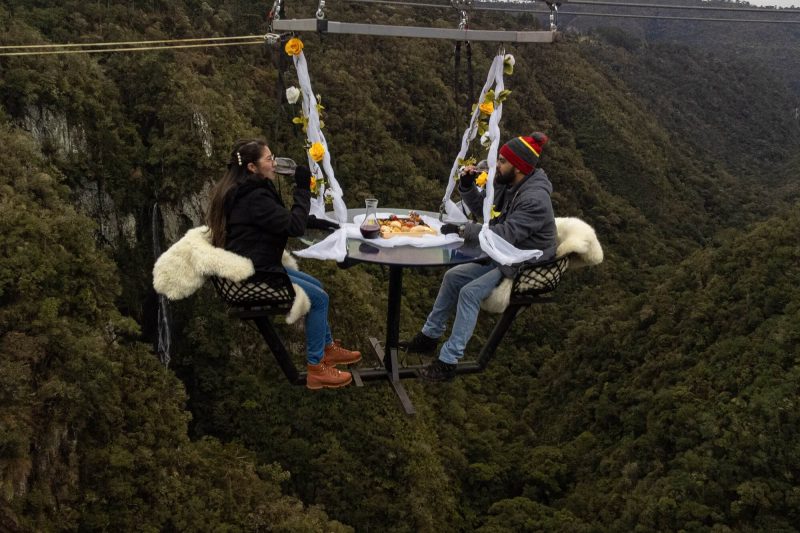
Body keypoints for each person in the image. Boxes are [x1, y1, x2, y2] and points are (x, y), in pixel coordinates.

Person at [206, 139, 359, 390]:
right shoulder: (254, 197)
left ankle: (327, 348)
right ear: (252, 168)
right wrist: (302, 188)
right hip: (254, 273)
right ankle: (316, 368)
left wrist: (313, 221)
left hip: (253, 262)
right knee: (318, 299)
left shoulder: (247, 189)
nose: (274, 163)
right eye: (268, 159)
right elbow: (293, 227)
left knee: (316, 285)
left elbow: (282, 220)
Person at [405, 132, 557, 382]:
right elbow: (486, 214)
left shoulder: (534, 199)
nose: (497, 165)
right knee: (453, 277)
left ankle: (448, 362)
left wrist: (464, 229)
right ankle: (429, 337)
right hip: (505, 253)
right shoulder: (510, 185)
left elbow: (505, 234)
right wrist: (467, 187)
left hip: (525, 260)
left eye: (502, 161)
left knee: (469, 292)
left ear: (518, 167)